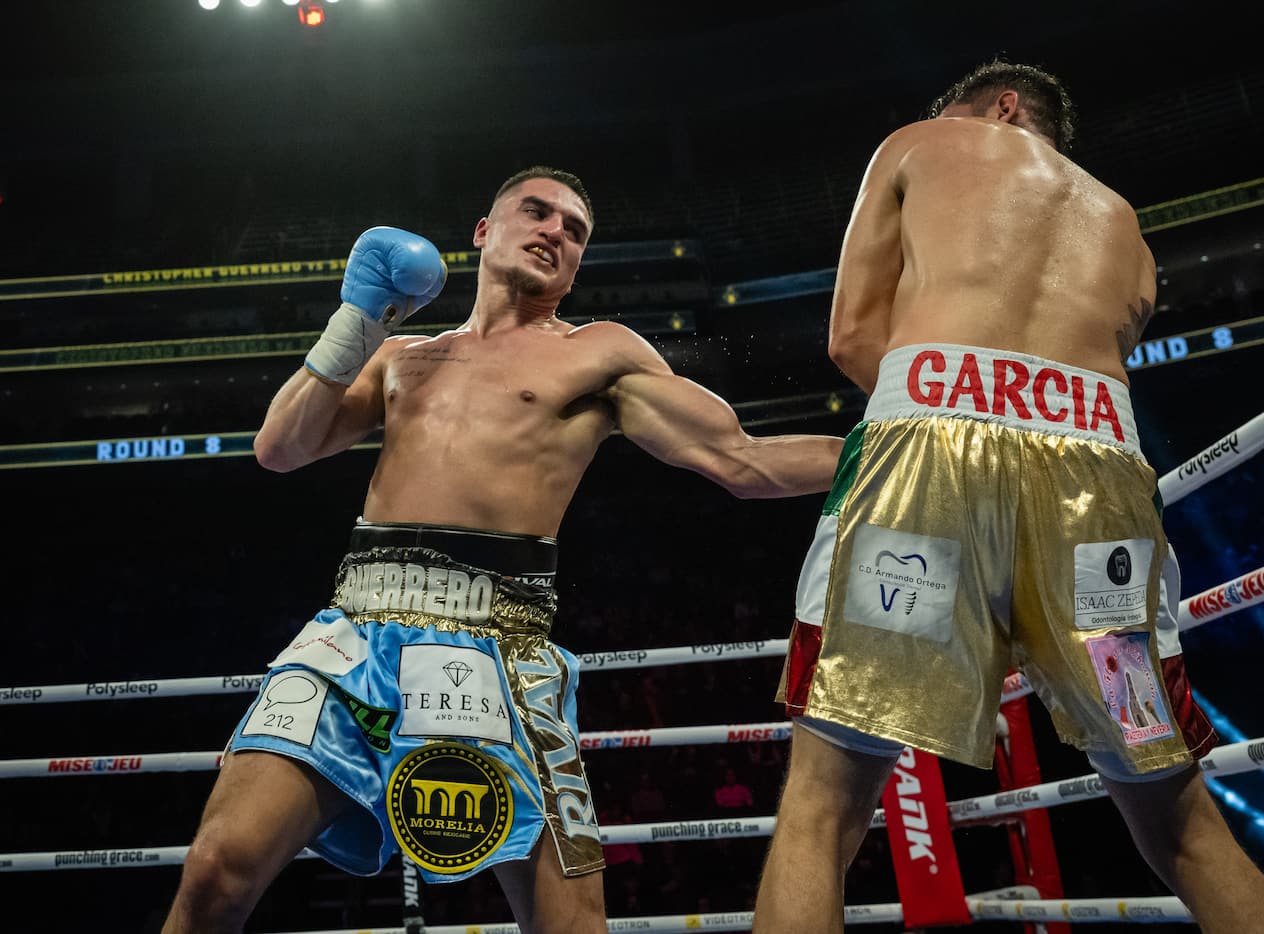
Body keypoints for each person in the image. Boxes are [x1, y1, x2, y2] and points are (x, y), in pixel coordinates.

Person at [162, 166, 844, 934]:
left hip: (498, 650)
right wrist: (360, 317)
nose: (556, 231)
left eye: (576, 229)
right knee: (214, 872)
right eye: (537, 211)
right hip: (352, 641)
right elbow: (280, 448)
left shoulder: (599, 354)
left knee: (571, 927)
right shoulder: (401, 357)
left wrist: (889, 451)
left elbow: (741, 461)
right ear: (485, 232)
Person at [752, 63, 1264, 934]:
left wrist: (942, 416)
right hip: (1102, 488)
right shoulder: (1128, 228)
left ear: (1001, 106)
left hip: (930, 453)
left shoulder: (917, 144)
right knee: (1184, 825)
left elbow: (854, 336)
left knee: (822, 809)